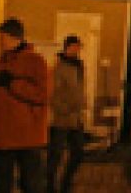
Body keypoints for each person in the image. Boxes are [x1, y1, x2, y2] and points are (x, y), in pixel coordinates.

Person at [0, 18, 48, 193]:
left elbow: (41, 95)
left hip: (27, 138)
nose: (0, 42)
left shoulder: (35, 61)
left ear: (15, 37)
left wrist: (13, 84)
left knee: (31, 185)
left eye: (3, 38)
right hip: (1, 139)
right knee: (0, 185)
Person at [48, 35, 87, 193]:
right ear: (68, 47)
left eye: (79, 47)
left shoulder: (79, 66)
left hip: (76, 118)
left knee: (78, 152)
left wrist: (81, 107)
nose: (78, 50)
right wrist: (63, 109)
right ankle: (49, 185)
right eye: (75, 47)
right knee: (55, 155)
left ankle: (66, 183)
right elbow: (52, 93)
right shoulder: (59, 66)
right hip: (61, 118)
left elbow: (78, 89)